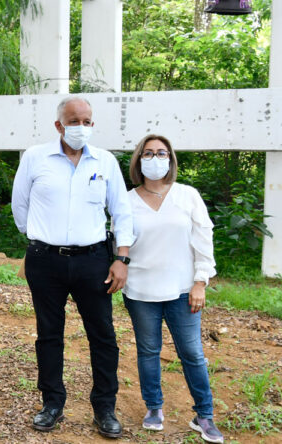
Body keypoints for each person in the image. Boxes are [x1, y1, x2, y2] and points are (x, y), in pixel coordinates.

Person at [11, 96, 134, 438]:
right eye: (74, 120)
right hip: (45, 261)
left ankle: (104, 407)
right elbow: (20, 207)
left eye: (87, 121)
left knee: (103, 335)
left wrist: (121, 259)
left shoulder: (105, 162)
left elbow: (121, 213)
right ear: (58, 125)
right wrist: (40, 239)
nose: (81, 126)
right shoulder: (35, 158)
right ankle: (52, 402)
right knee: (49, 334)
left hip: (93, 261)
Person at [123, 135, 223, 444]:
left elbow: (203, 240)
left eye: (161, 152)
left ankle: (204, 415)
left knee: (192, 353)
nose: (155, 158)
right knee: (149, 351)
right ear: (139, 160)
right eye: (148, 153)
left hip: (183, 290)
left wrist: (200, 281)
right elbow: (121, 243)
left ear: (171, 158)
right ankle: (154, 408)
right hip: (140, 291)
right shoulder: (127, 200)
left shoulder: (187, 195)